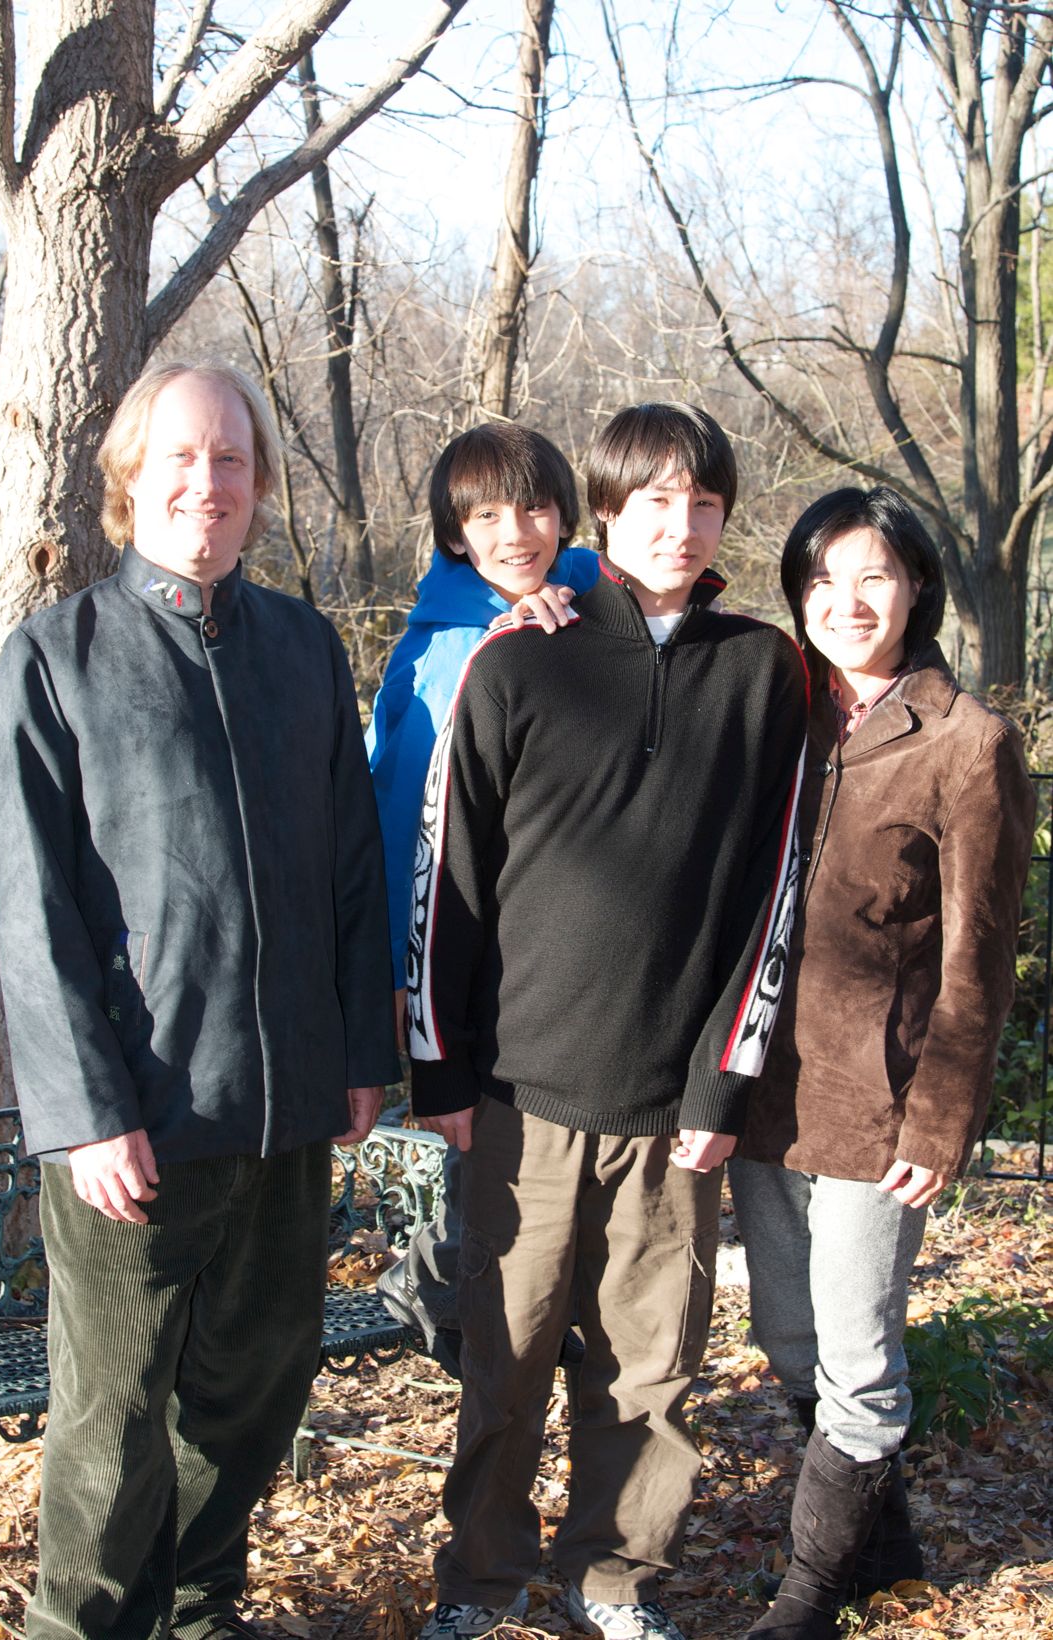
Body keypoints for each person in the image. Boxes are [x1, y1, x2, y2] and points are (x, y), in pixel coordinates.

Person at [0, 362, 399, 1640]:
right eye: (180, 455)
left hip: (283, 1107)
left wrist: (359, 1052)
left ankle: (202, 1605)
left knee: (254, 1388)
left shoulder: (303, 647)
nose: (205, 483)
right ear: (130, 477)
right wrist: (87, 1112)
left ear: (258, 486)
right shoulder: (57, 657)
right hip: (137, 1122)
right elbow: (33, 909)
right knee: (111, 1424)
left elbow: (349, 863)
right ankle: (89, 1625)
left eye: (230, 459)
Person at [406, 402, 809, 1640]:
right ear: (605, 514)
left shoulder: (763, 671)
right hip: (520, 1096)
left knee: (652, 1373)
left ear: (726, 516)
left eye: (701, 502)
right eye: (650, 501)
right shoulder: (519, 659)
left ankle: (610, 1578)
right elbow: (450, 879)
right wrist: (444, 1072)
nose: (676, 524)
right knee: (505, 1361)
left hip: (667, 1108)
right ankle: (480, 1583)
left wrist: (718, 1089)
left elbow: (772, 892)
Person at [729, 486, 1035, 1640]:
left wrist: (941, 1117)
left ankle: (810, 1591)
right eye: (819, 580)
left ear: (914, 585)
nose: (844, 601)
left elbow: (979, 955)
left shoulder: (968, 742)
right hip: (767, 1092)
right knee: (785, 1334)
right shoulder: (783, 711)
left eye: (870, 576)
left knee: (857, 1349)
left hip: (881, 1102)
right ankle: (885, 1542)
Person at [367, 423, 598, 1370]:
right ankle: (445, 1301)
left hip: (576, 968)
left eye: (535, 507)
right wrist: (402, 980)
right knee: (488, 1182)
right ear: (454, 532)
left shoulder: (589, 603)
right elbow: (397, 826)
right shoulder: (434, 657)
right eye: (486, 514)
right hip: (469, 971)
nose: (516, 532)